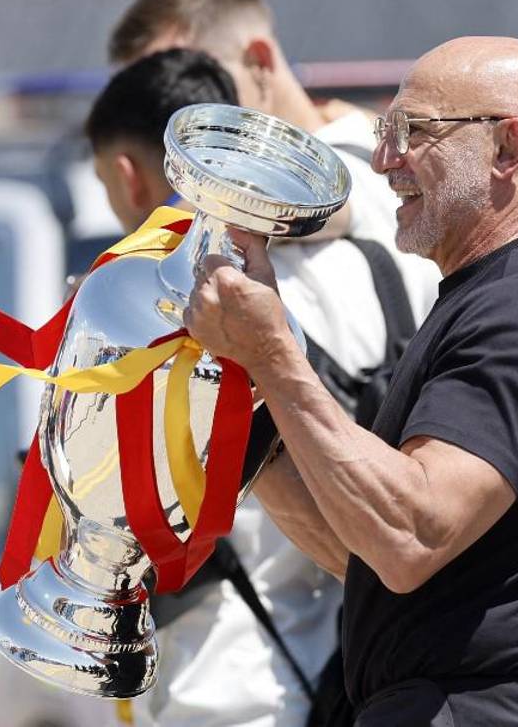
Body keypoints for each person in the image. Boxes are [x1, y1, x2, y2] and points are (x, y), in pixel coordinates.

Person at [184, 37, 518, 726]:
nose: (383, 161)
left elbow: (411, 535)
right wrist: (247, 389)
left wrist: (275, 356)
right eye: (384, 132)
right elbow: (366, 549)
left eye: (413, 132)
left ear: (509, 149)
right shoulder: (501, 296)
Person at [85, 48, 415, 727]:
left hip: (230, 680)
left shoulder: (180, 307)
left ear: (127, 175)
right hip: (367, 667)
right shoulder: (389, 253)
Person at [108, 0, 437, 320]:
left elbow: (310, 202)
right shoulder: (356, 135)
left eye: (186, 79)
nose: (163, 114)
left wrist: (129, 261)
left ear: (258, 63)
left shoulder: (365, 159)